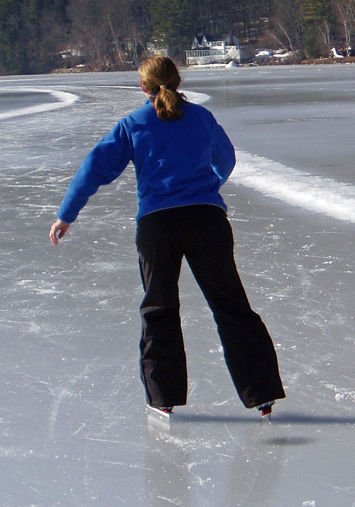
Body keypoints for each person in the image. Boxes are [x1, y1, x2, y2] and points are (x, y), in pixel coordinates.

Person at [49, 56, 285, 417]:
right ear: (177, 80)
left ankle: (164, 400)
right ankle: (263, 396)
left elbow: (95, 167)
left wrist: (67, 214)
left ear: (143, 87)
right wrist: (206, 189)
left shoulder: (134, 124)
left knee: (160, 310)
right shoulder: (202, 118)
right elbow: (227, 159)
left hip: (158, 226)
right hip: (207, 221)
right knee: (231, 306)